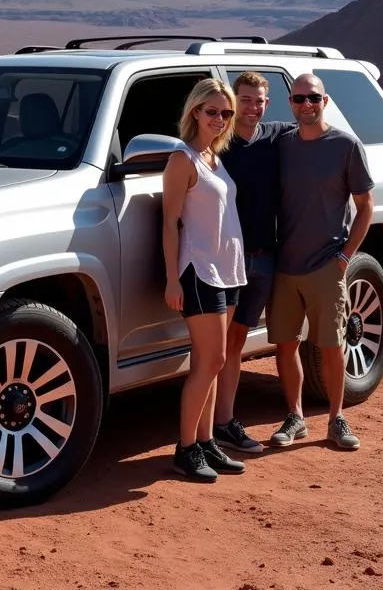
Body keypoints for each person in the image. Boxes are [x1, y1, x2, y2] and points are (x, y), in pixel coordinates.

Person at [268, 73, 374, 451]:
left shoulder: (345, 146)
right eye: (298, 99)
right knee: (285, 345)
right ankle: (295, 417)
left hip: (327, 265)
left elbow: (365, 208)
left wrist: (345, 256)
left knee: (331, 345)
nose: (306, 105)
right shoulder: (282, 144)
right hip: (285, 265)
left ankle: (336, 418)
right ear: (291, 104)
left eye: (313, 98)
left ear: (325, 101)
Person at [163, 77, 248, 482]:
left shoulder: (214, 157)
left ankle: (205, 441)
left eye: (226, 113)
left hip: (227, 269)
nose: (219, 119)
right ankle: (185, 449)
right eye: (212, 111)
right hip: (198, 271)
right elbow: (169, 223)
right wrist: (171, 279)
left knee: (210, 362)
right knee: (211, 360)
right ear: (194, 111)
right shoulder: (183, 160)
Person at [212, 71, 293, 455]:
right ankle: (217, 422)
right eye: (246, 100)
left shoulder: (277, 136)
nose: (253, 108)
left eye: (260, 101)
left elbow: (319, 133)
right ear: (233, 100)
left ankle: (223, 421)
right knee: (219, 344)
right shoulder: (216, 144)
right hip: (225, 259)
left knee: (237, 340)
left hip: (263, 259)